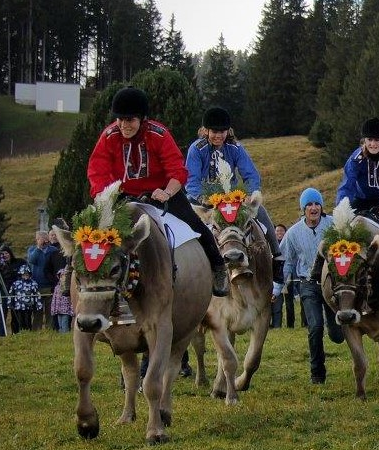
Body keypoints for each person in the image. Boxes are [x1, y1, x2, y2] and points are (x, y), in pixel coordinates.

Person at [87, 87, 228, 299]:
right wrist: (104, 195)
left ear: (142, 119)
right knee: (89, 229)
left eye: (130, 120)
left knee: (195, 224)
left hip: (161, 193)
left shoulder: (158, 134)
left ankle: (218, 267)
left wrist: (167, 192)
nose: (125, 125)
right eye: (120, 119)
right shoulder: (108, 136)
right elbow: (97, 169)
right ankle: (74, 270)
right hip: (121, 196)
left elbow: (177, 169)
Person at [185, 106, 282, 257]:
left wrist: (250, 193)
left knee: (260, 211)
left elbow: (251, 174)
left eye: (222, 132)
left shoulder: (235, 148)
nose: (218, 136)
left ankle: (276, 254)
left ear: (227, 131)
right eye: (215, 132)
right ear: (206, 131)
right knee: (182, 218)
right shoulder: (196, 149)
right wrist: (203, 198)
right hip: (202, 201)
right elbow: (191, 180)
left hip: (232, 199)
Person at [279, 187, 343, 384]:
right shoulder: (293, 234)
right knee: (315, 326)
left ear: (321, 207)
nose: (314, 208)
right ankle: (317, 372)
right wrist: (277, 287)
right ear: (303, 209)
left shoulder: (334, 225)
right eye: (309, 205)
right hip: (308, 284)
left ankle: (336, 332)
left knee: (337, 334)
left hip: (332, 284)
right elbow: (287, 262)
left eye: (317, 204)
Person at [25, 230, 55, 330]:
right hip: (36, 285)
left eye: (45, 239)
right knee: (37, 311)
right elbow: (31, 260)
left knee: (50, 311)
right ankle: (36, 330)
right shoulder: (32, 250)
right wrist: (39, 248)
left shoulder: (53, 250)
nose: (43, 241)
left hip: (50, 285)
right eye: (40, 239)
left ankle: (50, 330)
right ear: (37, 240)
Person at [270, 223, 296, 329]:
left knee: (289, 303)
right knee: (277, 303)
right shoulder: (271, 244)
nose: (279, 233)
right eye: (277, 231)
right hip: (277, 276)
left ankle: (291, 324)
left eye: (281, 231)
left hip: (289, 275)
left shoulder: (289, 243)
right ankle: (277, 325)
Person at [0, 244, 26, 334]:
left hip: (17, 291)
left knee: (16, 313)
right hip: (4, 291)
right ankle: (2, 333)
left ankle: (17, 332)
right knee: (3, 312)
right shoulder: (1, 265)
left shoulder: (20, 262)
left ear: (10, 253)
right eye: (2, 254)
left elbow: (26, 273)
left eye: (6, 253)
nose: (5, 255)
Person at [9, 265, 41, 334]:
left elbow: (37, 294)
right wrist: (10, 304)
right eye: (24, 274)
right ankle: (19, 333)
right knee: (19, 320)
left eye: (27, 274)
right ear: (20, 274)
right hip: (18, 307)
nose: (25, 276)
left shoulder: (33, 283)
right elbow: (11, 294)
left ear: (29, 274)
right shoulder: (16, 283)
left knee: (28, 320)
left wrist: (38, 304)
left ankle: (28, 332)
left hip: (28, 307)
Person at [50, 267, 73, 333]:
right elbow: (54, 299)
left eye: (64, 276)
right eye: (61, 276)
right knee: (60, 325)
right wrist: (53, 309)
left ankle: (65, 336)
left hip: (66, 310)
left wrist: (72, 310)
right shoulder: (57, 287)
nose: (62, 278)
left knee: (65, 324)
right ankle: (61, 338)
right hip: (58, 310)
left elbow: (71, 300)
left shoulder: (69, 288)